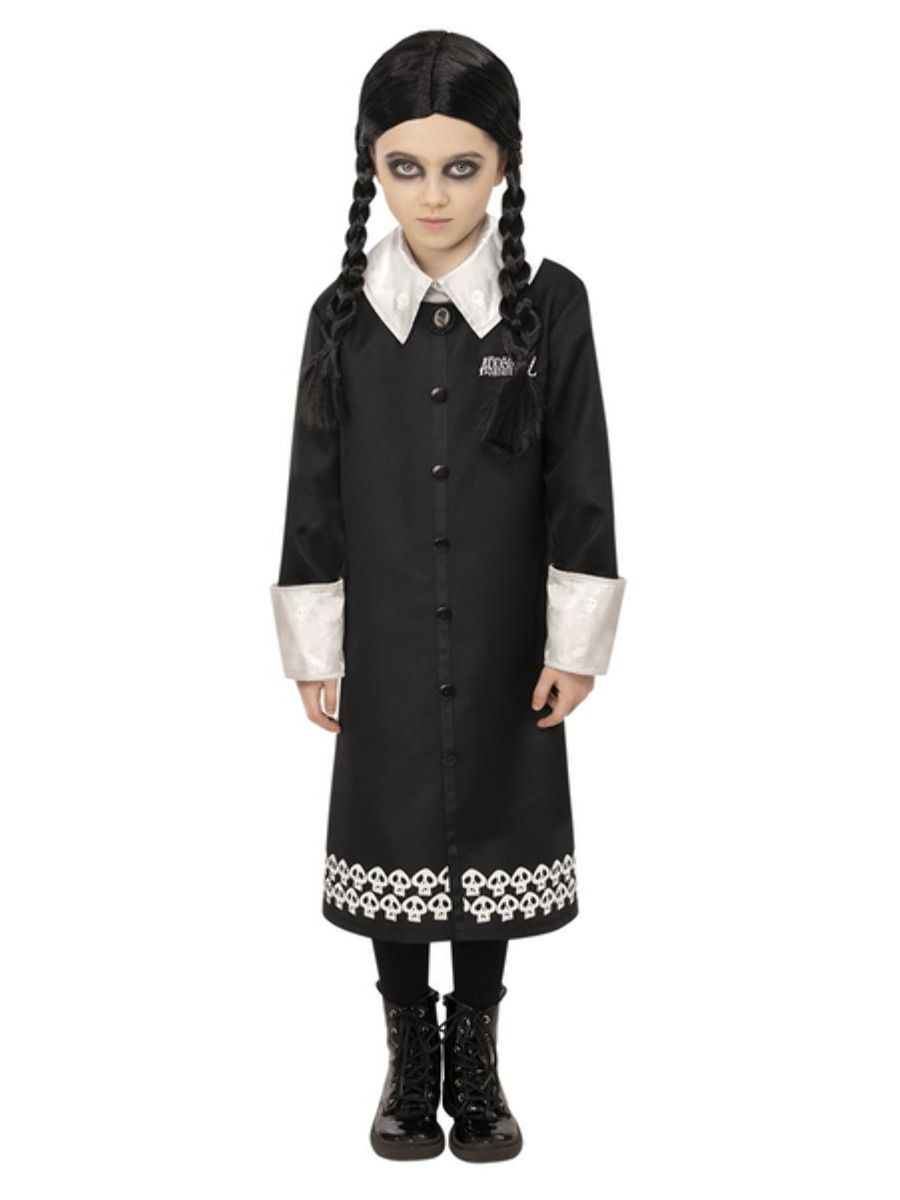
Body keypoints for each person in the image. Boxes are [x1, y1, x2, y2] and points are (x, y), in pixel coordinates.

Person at [270, 30, 626, 1163]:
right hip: (381, 636)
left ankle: (476, 1053)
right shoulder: (340, 316)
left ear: (504, 164)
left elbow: (581, 478)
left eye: (461, 167)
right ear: (371, 166)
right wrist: (315, 647)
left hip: (504, 635)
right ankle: (406, 1053)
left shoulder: (549, 307)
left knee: (491, 818)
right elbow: (313, 487)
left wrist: (575, 642)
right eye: (406, 167)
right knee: (396, 822)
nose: (433, 195)